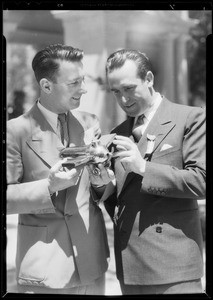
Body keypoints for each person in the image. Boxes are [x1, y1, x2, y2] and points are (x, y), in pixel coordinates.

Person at [6, 44, 114, 295]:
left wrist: (102, 181)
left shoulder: (90, 122)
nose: (84, 89)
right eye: (74, 83)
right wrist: (49, 186)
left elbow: (101, 193)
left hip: (92, 262)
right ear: (46, 86)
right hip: (45, 269)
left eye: (83, 80)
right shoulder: (15, 131)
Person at [101, 49, 206, 294]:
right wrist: (100, 179)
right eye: (115, 91)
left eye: (128, 88)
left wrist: (143, 167)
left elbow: (201, 181)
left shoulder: (190, 117)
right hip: (130, 266)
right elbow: (119, 201)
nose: (123, 99)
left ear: (148, 79)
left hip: (174, 266)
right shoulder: (117, 133)